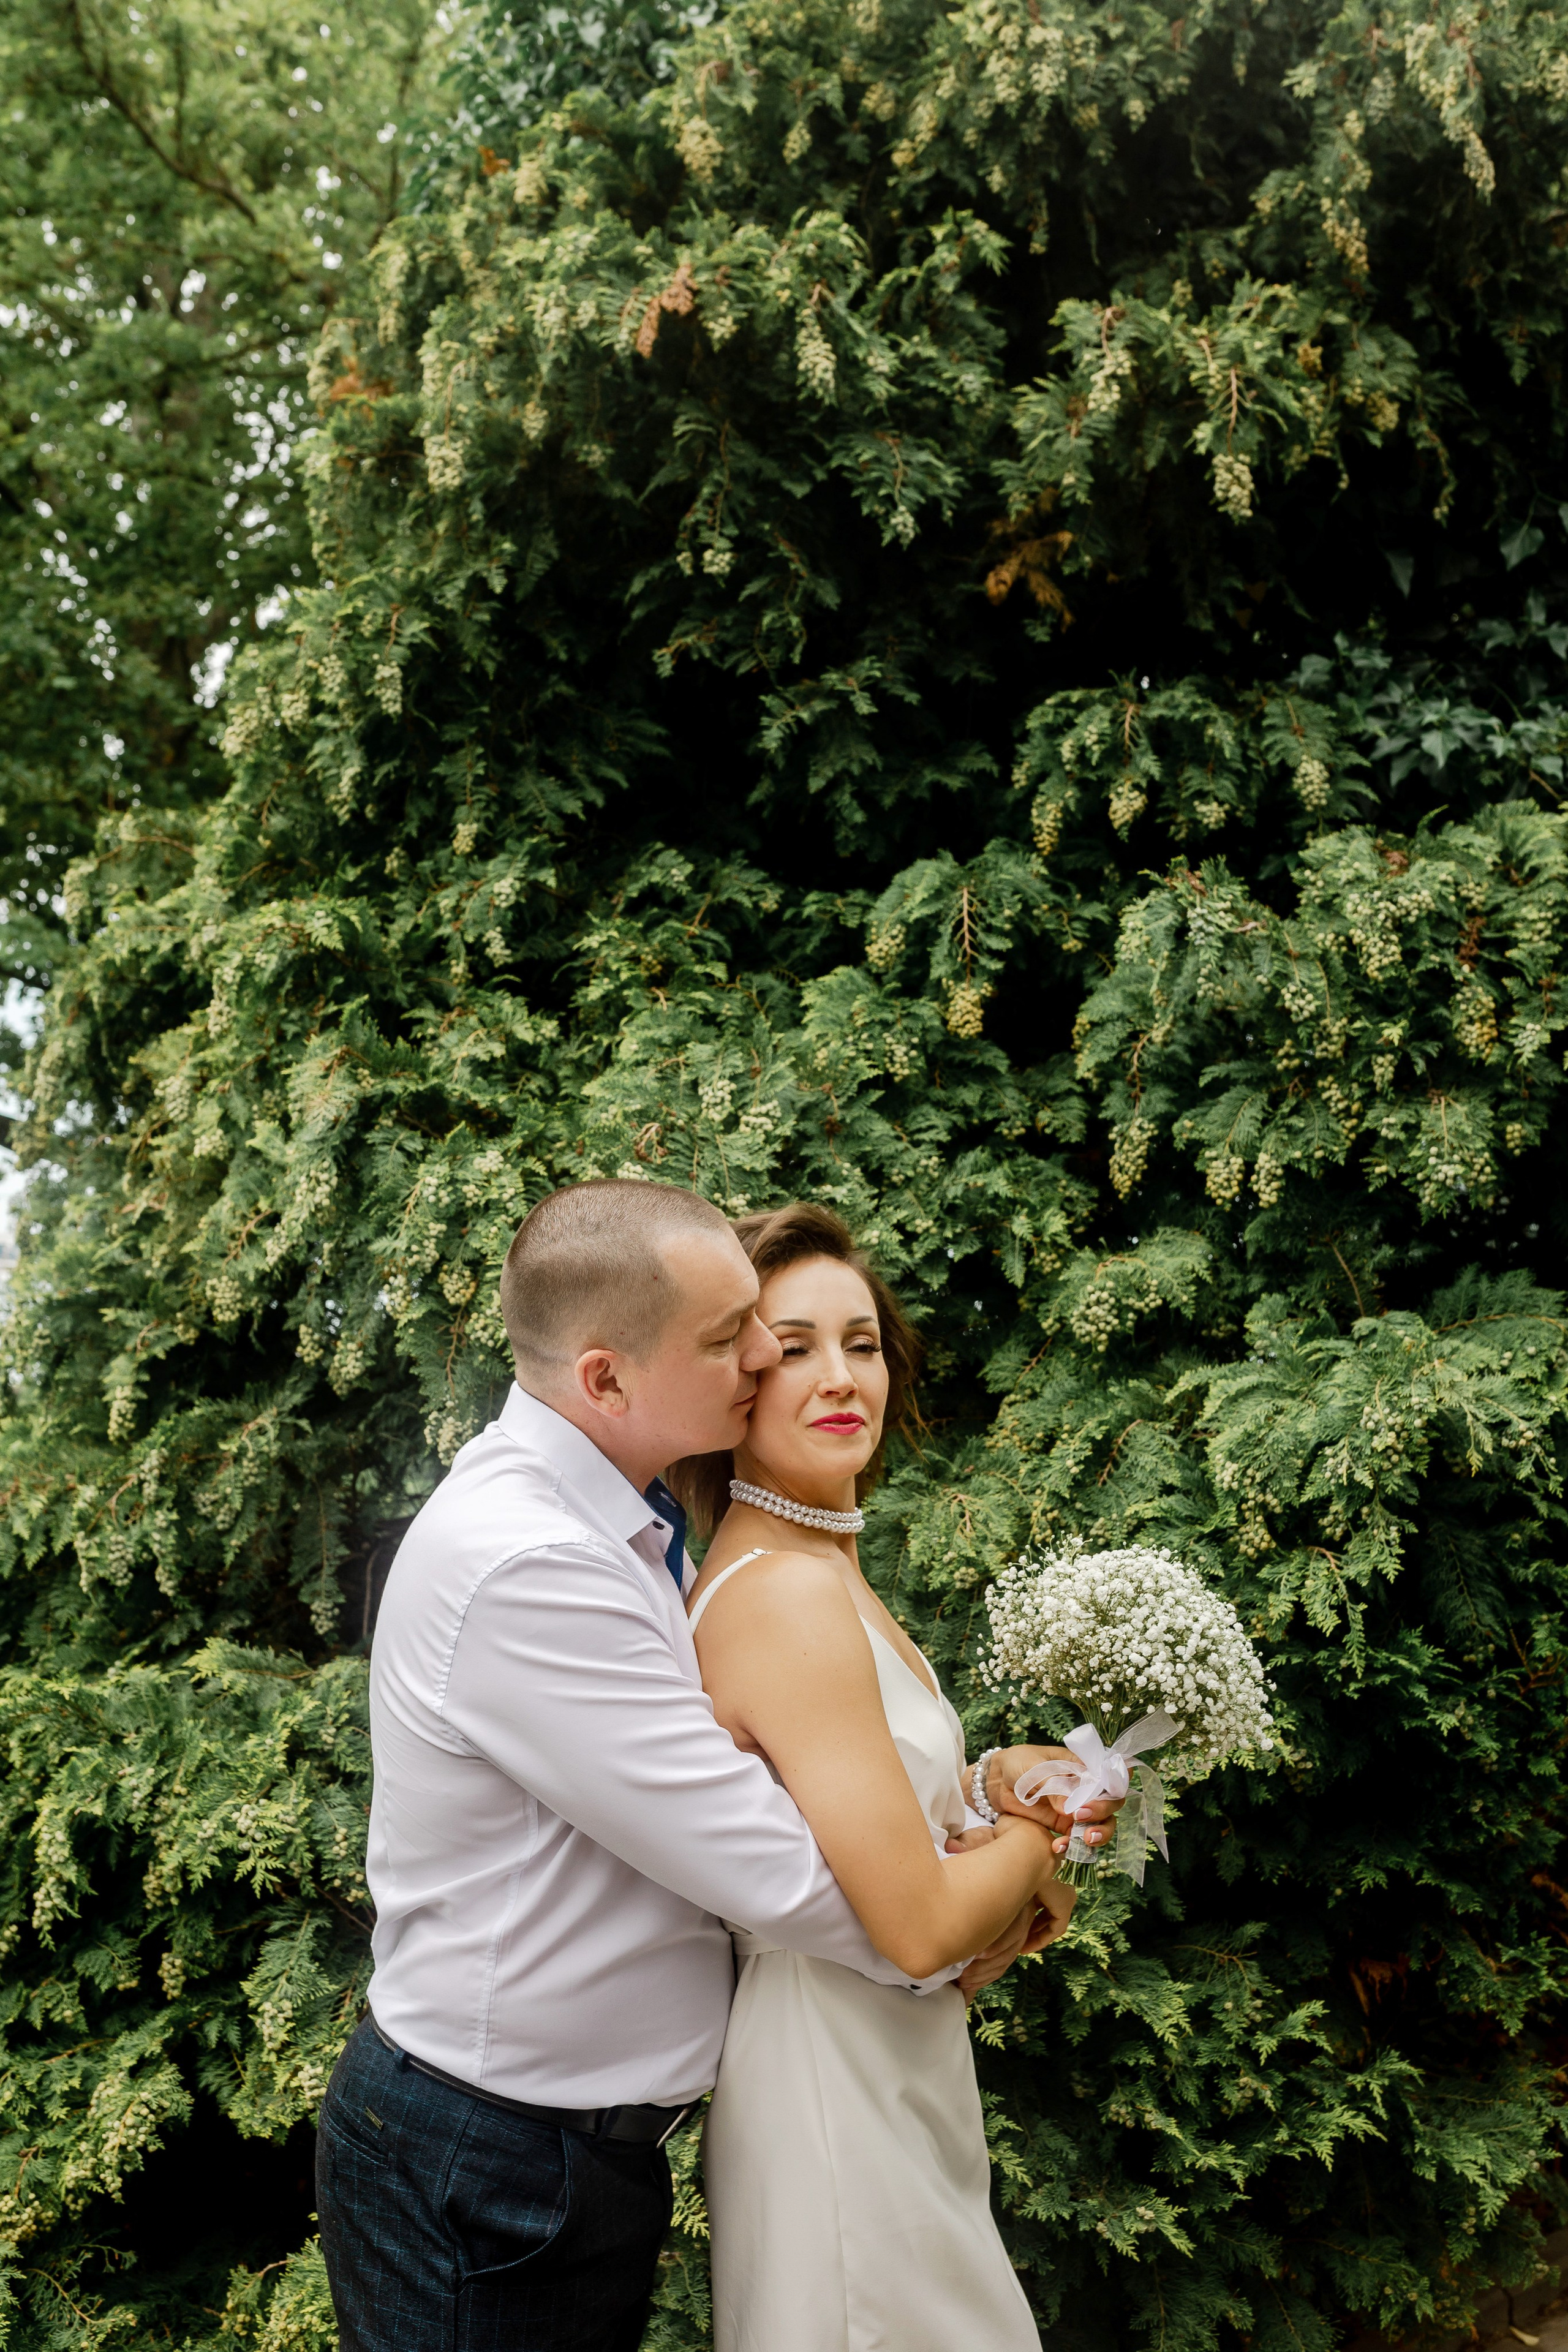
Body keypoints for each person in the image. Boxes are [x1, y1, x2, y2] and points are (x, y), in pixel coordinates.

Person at [315, 1178, 1115, 2352]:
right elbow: (789, 1874)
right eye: (737, 1336)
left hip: (589, 2148)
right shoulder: (530, 1561)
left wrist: (982, 1806)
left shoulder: (632, 1527)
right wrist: (996, 1879)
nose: (764, 1360)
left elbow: (800, 1794)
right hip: (487, 2156)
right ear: (606, 1377)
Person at [674, 1202, 1061, 2351]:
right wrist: (1042, 1847)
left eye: (862, 1342)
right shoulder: (784, 1592)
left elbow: (865, 1821)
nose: (842, 1376)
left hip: (897, 2064)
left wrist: (992, 1789)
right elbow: (918, 1928)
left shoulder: (819, 1566)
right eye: (792, 1349)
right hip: (831, 2088)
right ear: (737, 1383)